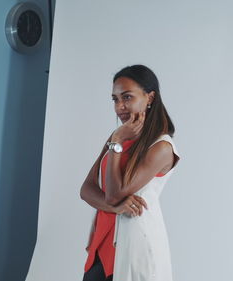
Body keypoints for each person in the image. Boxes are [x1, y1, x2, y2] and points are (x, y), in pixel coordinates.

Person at [80, 64, 181, 281]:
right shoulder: (116, 138)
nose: (120, 107)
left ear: (150, 97)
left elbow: (114, 194)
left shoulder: (161, 147)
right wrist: (114, 207)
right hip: (101, 244)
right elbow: (86, 189)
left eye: (127, 97)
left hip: (135, 245)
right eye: (115, 99)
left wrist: (117, 141)